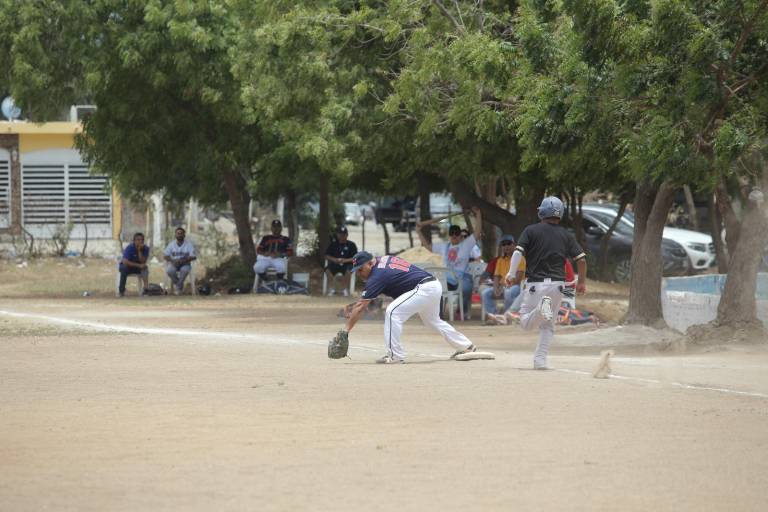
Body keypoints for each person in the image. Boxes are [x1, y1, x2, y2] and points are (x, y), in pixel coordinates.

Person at [344, 251, 478, 363]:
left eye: (361, 269)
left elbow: (361, 306)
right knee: (432, 321)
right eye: (357, 271)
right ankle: (465, 346)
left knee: (392, 312)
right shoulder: (383, 260)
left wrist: (346, 331)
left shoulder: (377, 276)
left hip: (424, 288)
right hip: (433, 285)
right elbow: (368, 299)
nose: (360, 273)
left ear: (370, 263)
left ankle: (395, 356)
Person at [505, 196, 587, 370]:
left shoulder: (530, 230)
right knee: (548, 326)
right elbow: (581, 259)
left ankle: (540, 309)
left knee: (526, 324)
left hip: (535, 285)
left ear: (542, 212)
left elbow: (518, 253)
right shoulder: (566, 235)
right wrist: (582, 283)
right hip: (558, 286)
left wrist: (511, 274)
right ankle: (540, 361)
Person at [416, 207, 483, 319]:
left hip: (461, 278)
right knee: (431, 287)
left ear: (461, 235)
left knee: (467, 288)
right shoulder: (443, 246)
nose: (454, 235)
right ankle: (436, 314)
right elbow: (427, 247)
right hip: (446, 279)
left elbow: (477, 232)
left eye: (457, 233)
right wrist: (419, 232)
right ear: (449, 235)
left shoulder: (466, 245)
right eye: (452, 233)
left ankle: (462, 311)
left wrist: (478, 214)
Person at [483, 235, 525, 325]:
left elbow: (518, 279)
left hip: (516, 286)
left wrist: (504, 287)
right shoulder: (500, 260)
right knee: (485, 293)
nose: (506, 246)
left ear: (514, 245)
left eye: (509, 244)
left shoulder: (520, 258)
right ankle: (495, 317)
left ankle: (507, 317)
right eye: (504, 244)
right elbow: (496, 277)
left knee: (509, 292)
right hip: (503, 286)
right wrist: (495, 288)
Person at [324, 225, 358, 296]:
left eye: (344, 234)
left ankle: (344, 289)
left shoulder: (351, 245)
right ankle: (331, 289)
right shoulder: (333, 244)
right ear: (337, 235)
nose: (342, 236)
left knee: (349, 271)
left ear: (347, 235)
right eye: (340, 234)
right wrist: (334, 259)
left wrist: (345, 260)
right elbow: (326, 255)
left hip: (347, 264)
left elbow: (355, 257)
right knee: (327, 270)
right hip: (335, 263)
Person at [163, 227, 197, 295]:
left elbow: (193, 256)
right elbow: (165, 256)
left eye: (181, 233)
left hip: (185, 263)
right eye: (178, 233)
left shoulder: (188, 244)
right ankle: (180, 285)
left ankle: (178, 287)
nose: (179, 235)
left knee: (184, 270)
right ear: (175, 235)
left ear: (184, 235)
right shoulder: (171, 244)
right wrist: (173, 260)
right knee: (169, 271)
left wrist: (184, 260)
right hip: (174, 263)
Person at [118, 232, 150, 296]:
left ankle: (146, 289)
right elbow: (125, 261)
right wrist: (139, 265)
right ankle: (121, 291)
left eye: (142, 240)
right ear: (134, 241)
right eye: (138, 240)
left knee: (145, 267)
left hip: (137, 268)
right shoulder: (129, 248)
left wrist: (139, 251)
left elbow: (143, 261)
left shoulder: (146, 248)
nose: (140, 241)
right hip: (127, 266)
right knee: (123, 268)